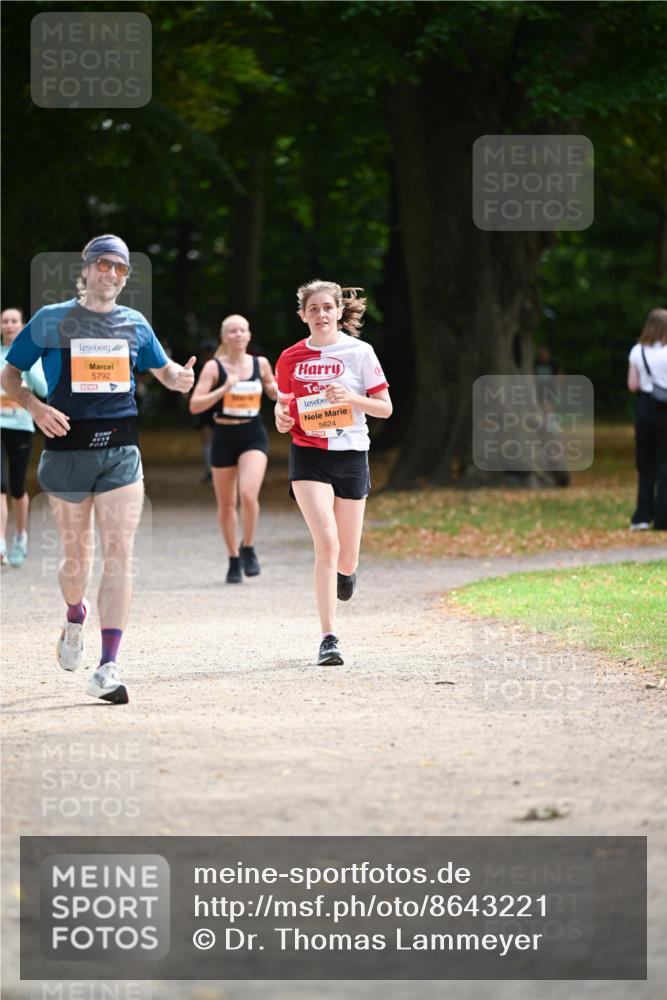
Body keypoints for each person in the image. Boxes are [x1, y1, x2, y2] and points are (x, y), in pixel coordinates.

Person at [0, 234, 195, 703]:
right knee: (76, 560)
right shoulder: (52, 320)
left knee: (119, 556)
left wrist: (178, 379)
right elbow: (9, 374)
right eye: (104, 265)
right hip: (66, 453)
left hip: (121, 453)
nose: (111, 274)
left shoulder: (135, 324)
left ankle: (108, 666)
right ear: (86, 270)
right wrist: (34, 407)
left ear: (126, 277)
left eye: (120, 269)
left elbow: (164, 371)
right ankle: (74, 616)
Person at [274, 280, 392, 666]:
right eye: (313, 309)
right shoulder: (290, 357)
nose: (321, 314)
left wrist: (351, 398)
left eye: (328, 307)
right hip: (308, 455)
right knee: (326, 543)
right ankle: (329, 638)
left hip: (351, 456)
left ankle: (346, 572)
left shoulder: (360, 353)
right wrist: (280, 417)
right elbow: (284, 408)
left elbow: (384, 407)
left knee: (346, 556)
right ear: (303, 315)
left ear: (339, 311)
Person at [189, 314, 277, 583]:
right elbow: (195, 405)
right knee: (226, 504)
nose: (238, 335)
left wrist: (274, 389)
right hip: (223, 435)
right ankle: (233, 558)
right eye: (233, 331)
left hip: (252, 434)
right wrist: (223, 390)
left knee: (248, 495)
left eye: (243, 331)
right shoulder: (214, 368)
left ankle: (248, 547)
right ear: (224, 337)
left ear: (249, 335)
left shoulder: (260, 363)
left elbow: (273, 390)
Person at [1, 307, 47, 567]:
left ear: (22, 325)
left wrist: (26, 368)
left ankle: (20, 536)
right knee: (0, 484)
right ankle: (0, 544)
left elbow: (43, 389)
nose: (9, 325)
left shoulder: (30, 356)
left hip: (21, 425)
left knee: (17, 487)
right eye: (4, 321)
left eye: (13, 321)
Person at [627, 307, 667, 531]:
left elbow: (632, 385)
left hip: (644, 408)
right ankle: (663, 518)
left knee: (645, 464)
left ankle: (642, 516)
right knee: (665, 464)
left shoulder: (636, 351)